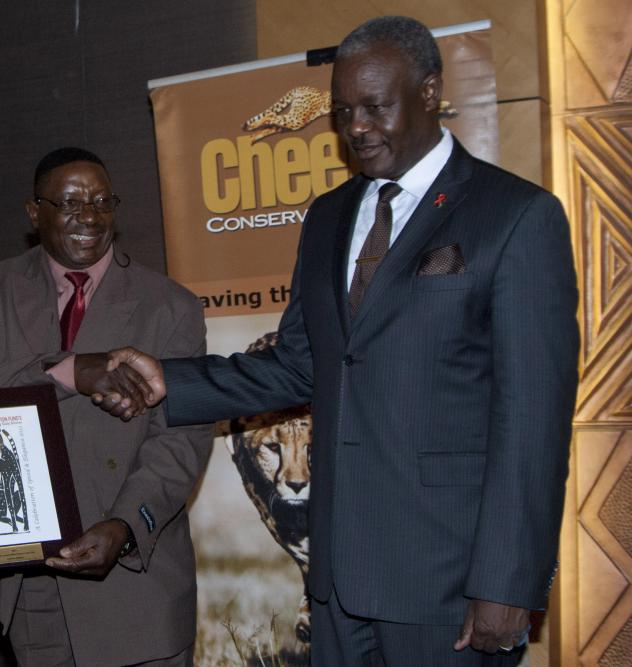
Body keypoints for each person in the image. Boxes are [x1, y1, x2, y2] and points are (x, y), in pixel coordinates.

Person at [84, 16, 579, 666]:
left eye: (377, 107)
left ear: (430, 92)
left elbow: (533, 421)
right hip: (338, 583)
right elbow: (297, 365)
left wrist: (508, 582)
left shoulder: (516, 216)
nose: (357, 129)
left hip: (448, 586)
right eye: (344, 112)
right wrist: (166, 381)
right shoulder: (328, 216)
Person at [0, 147, 211, 666]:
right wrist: (70, 370)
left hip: (135, 583)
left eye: (102, 201)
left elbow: (182, 440)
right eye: (69, 203)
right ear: (33, 211)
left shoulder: (170, 306)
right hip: (34, 583)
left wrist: (127, 527)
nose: (89, 216)